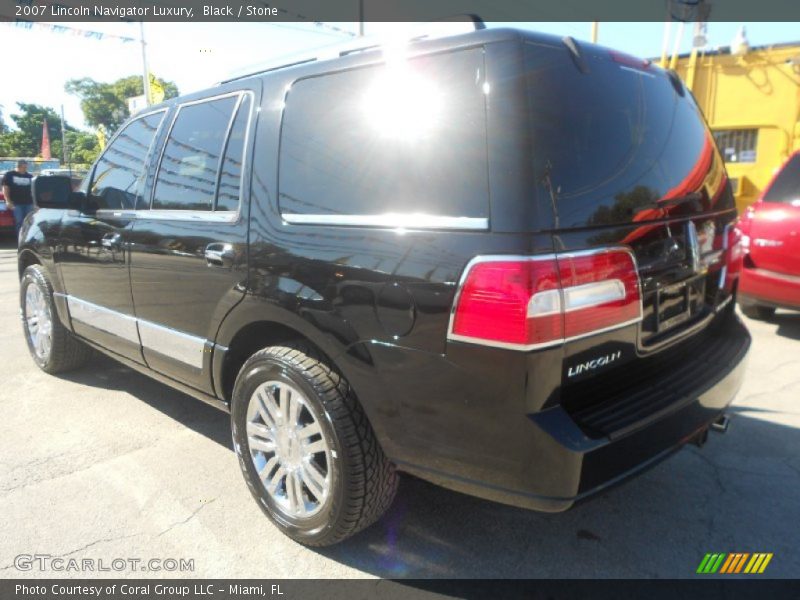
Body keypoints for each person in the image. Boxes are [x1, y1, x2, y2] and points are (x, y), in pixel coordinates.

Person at [2, 160, 34, 238]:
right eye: (23, 167)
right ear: (18, 167)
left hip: (29, 203)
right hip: (16, 203)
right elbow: (5, 188)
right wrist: (8, 201)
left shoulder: (29, 176)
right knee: (19, 221)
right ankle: (20, 238)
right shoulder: (9, 175)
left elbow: (33, 190)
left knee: (29, 222)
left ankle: (28, 238)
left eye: (26, 167)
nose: (25, 169)